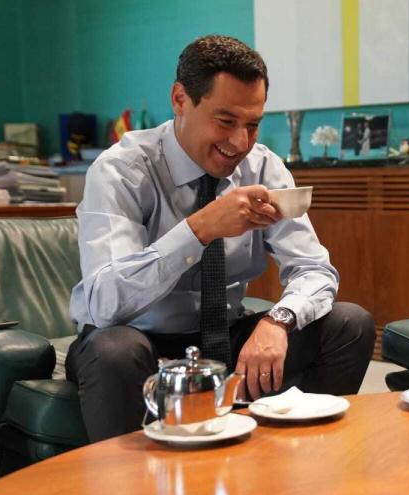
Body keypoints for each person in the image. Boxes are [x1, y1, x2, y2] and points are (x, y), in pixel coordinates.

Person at [66, 35, 375, 442]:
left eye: (253, 124)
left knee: (349, 323)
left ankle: (296, 470)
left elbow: (315, 270)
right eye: (226, 121)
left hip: (225, 342)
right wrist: (201, 229)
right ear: (180, 100)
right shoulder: (121, 171)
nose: (240, 143)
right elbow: (105, 302)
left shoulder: (264, 167)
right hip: (140, 341)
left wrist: (278, 321)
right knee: (115, 351)